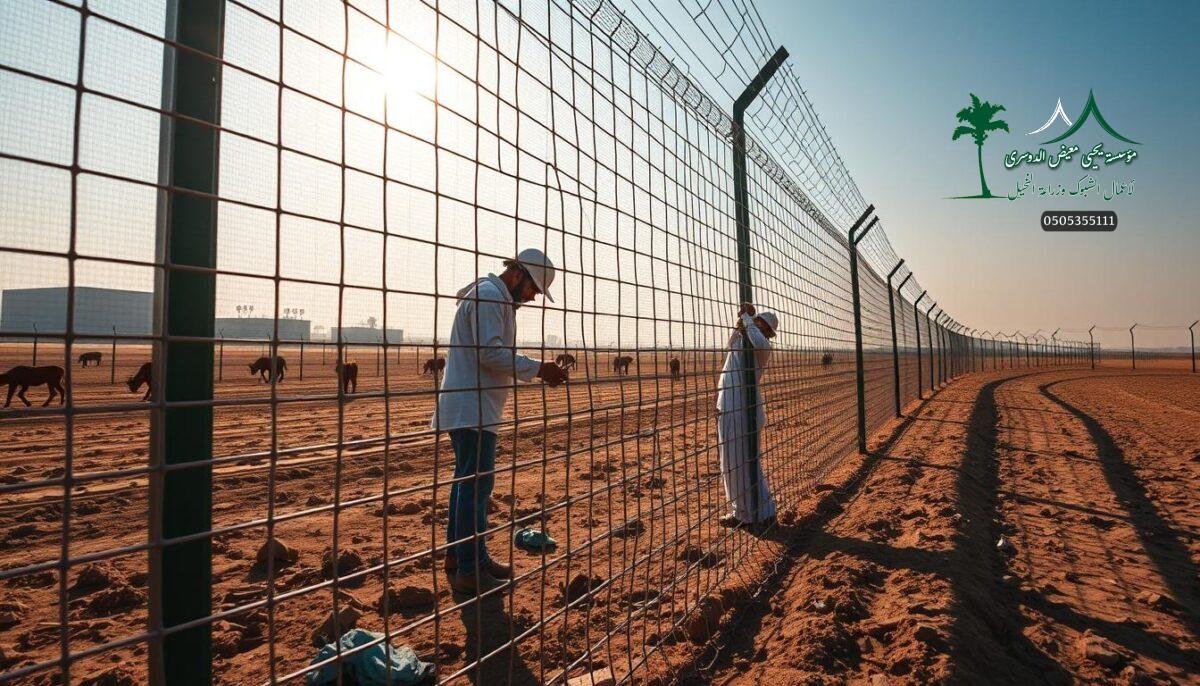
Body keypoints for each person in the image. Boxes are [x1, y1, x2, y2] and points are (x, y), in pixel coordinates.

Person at [431, 248, 567, 595]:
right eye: (533, 289)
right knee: (475, 487)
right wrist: (540, 368)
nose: (533, 297)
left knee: (467, 484)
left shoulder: (493, 298)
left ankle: (463, 556)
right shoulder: (491, 297)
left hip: (473, 408)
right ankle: (469, 567)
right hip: (471, 409)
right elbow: (489, 352)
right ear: (518, 274)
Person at [716, 302, 779, 528]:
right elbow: (730, 343)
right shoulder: (742, 341)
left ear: (768, 332)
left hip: (745, 411)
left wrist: (747, 317)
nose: (755, 324)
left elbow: (758, 340)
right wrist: (740, 322)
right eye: (756, 321)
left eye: (760, 323)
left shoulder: (763, 348)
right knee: (730, 462)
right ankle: (742, 512)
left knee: (746, 461)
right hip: (729, 408)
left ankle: (763, 512)